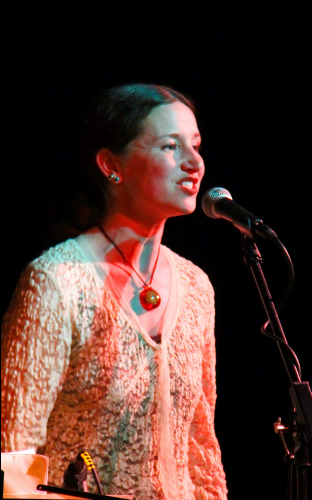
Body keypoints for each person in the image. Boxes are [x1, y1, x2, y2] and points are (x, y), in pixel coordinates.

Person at [1, 84, 228, 500]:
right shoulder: (56, 281)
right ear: (111, 165)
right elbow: (13, 456)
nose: (194, 163)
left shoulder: (196, 286)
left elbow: (200, 447)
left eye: (195, 146)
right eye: (169, 147)